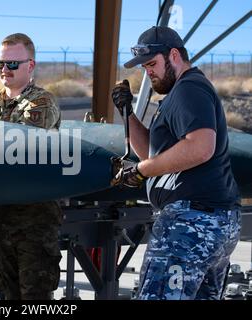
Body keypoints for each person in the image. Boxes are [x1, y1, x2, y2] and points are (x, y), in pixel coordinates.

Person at [111, 26, 241, 300]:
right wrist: (128, 114)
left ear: (174, 55)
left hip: (190, 226)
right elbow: (153, 154)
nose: (149, 72)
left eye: (153, 64)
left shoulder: (189, 89)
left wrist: (142, 171)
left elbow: (201, 147)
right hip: (210, 224)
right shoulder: (181, 93)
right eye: (145, 68)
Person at [0, 33, 62, 300]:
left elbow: (21, 146)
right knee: (6, 296)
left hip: (32, 222)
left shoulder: (41, 102)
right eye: (0, 63)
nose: (5, 69)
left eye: (12, 64)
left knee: (34, 297)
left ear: (30, 66)